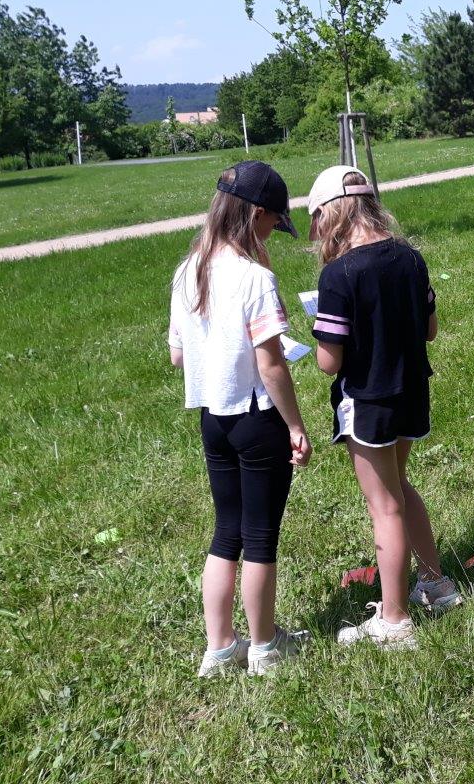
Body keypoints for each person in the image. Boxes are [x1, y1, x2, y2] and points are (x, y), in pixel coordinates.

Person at [168, 160, 312, 678]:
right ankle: (266, 647)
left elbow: (178, 356)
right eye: (273, 220)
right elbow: (271, 364)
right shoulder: (255, 279)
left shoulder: (188, 271)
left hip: (214, 419)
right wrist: (295, 426)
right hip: (257, 419)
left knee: (226, 531)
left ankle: (220, 648)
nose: (274, 229)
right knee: (261, 537)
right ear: (254, 215)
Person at [308, 165, 462, 651]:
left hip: (369, 402)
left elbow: (329, 363)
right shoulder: (410, 258)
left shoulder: (338, 274)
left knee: (385, 506)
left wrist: (319, 333)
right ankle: (435, 584)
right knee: (400, 488)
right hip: (411, 391)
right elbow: (430, 330)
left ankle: (394, 622)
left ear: (329, 215)